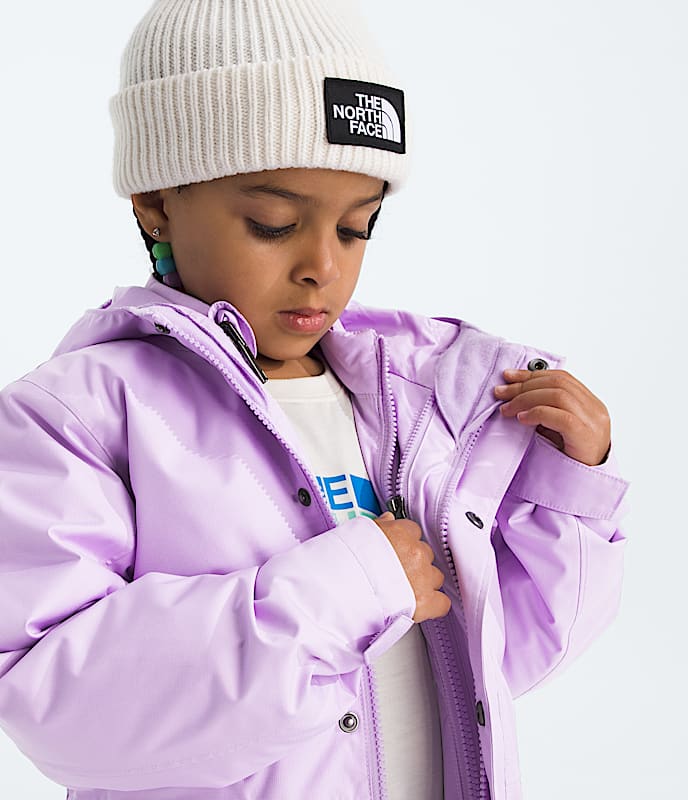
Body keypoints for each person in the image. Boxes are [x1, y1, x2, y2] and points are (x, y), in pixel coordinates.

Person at [0, 1, 630, 799]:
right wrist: (344, 595)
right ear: (156, 203)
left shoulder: (414, 406)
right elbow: (63, 712)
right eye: (273, 224)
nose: (322, 267)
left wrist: (565, 497)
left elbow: (502, 663)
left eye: (356, 228)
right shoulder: (79, 417)